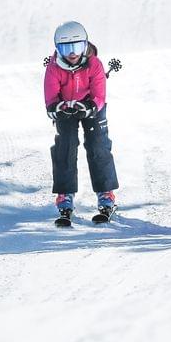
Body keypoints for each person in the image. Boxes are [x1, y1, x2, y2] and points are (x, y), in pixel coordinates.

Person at [44, 20, 119, 219]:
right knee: (65, 146)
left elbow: (100, 94)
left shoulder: (94, 64)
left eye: (76, 47)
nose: (72, 53)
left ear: (85, 45)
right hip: (66, 108)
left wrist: (91, 106)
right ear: (58, 49)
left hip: (91, 106)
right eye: (66, 48)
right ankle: (65, 194)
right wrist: (56, 108)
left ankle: (105, 193)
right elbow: (50, 96)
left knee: (98, 145)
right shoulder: (53, 67)